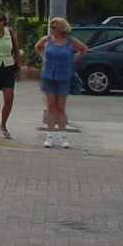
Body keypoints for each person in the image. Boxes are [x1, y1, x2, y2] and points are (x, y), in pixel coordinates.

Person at [34, 16, 89, 148]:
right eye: (51, 27)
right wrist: (43, 57)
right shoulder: (47, 40)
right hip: (48, 76)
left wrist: (72, 60)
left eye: (54, 27)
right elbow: (38, 47)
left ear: (61, 29)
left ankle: (63, 136)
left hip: (64, 76)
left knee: (61, 107)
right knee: (51, 107)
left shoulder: (69, 41)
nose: (52, 30)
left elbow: (84, 49)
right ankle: (50, 136)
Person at [0, 11, 23, 139]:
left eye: (0, 20)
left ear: (4, 22)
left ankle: (3, 124)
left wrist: (18, 69)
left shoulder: (10, 33)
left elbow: (16, 51)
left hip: (8, 66)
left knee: (8, 98)